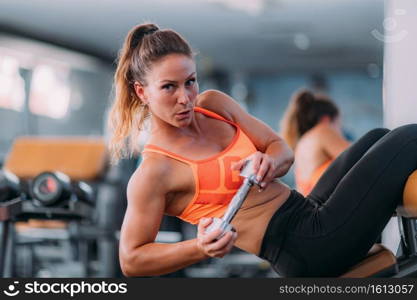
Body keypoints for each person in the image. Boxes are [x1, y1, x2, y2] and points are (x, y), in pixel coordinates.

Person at [108, 23, 417, 277]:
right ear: (142, 92)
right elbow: (132, 259)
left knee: (378, 135)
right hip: (305, 246)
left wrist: (268, 160)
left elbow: (280, 148)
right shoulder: (154, 171)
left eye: (190, 82)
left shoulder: (214, 105)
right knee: (407, 137)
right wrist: (200, 247)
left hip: (306, 209)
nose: (185, 98)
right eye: (169, 87)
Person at [280, 89, 351, 196]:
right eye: (339, 124)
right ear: (326, 120)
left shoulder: (301, 145)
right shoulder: (323, 131)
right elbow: (362, 158)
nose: (340, 131)